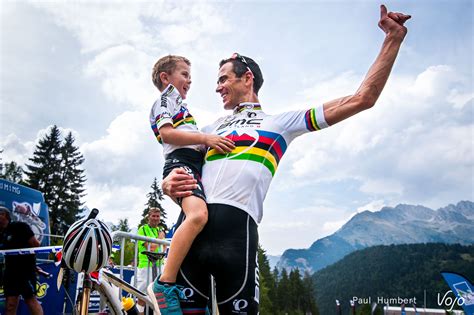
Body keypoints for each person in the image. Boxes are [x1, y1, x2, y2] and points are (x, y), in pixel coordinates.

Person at [155, 5, 411, 315]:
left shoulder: (280, 124)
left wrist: (392, 40)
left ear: (247, 78)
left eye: (223, 78)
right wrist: (169, 185)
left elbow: (361, 99)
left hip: (237, 237)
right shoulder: (207, 131)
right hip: (192, 235)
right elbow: (176, 160)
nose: (216, 86)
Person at [148, 55, 235, 314]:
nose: (189, 80)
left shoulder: (180, 106)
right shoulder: (165, 99)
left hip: (193, 165)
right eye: (184, 74)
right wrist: (206, 139)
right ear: (166, 77)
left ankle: (197, 296)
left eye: (189, 75)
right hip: (180, 163)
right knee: (198, 216)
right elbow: (166, 134)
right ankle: (164, 284)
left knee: (195, 224)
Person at [0, 206, 43, 315]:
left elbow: (36, 244)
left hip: (25, 272)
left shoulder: (20, 226)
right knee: (10, 304)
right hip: (10, 273)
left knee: (30, 301)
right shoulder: (2, 233)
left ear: (5, 215)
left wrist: (32, 265)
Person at [136, 207, 166, 314]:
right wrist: (160, 239)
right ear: (149, 217)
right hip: (145, 266)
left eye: (157, 216)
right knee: (142, 296)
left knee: (158, 296)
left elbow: (163, 249)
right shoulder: (142, 229)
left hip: (159, 265)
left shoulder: (159, 230)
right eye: (153, 216)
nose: (155, 218)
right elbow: (152, 248)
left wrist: (158, 242)